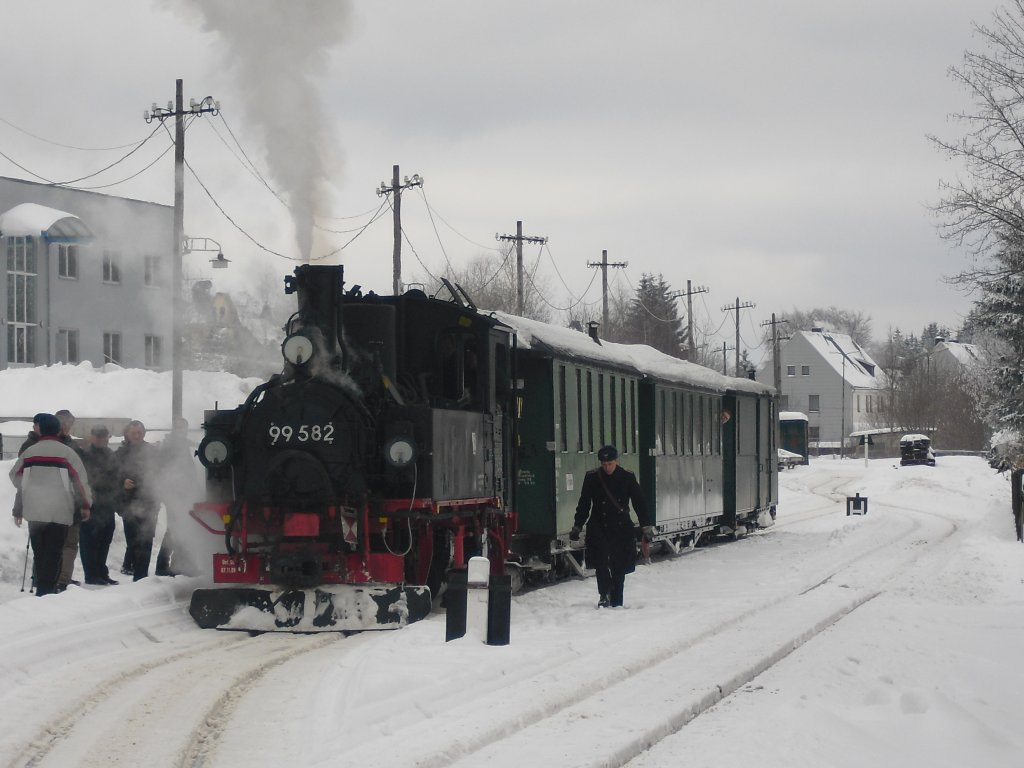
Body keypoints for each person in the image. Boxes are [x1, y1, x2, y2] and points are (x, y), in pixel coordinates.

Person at [9, 413, 92, 596]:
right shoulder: (67, 453)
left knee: (40, 554)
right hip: (59, 511)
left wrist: (31, 488)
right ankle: (48, 591)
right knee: (54, 553)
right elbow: (80, 482)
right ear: (57, 430)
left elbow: (15, 475)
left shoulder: (29, 452)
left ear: (41, 430)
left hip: (35, 511)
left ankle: (42, 588)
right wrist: (85, 505)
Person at [570, 445, 652, 608]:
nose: (607, 467)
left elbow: (639, 503)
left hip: (620, 527)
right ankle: (603, 594)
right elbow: (584, 503)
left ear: (616, 461)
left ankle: (617, 599)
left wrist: (646, 527)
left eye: (610, 464)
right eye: (604, 464)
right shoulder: (592, 478)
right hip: (598, 525)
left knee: (618, 565)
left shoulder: (627, 477)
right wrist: (577, 525)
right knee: (600, 563)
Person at [115, 420, 161, 581]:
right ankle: (132, 568)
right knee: (133, 540)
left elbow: (161, 474)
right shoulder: (120, 453)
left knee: (147, 540)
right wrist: (122, 482)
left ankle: (141, 576)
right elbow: (111, 474)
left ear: (144, 434)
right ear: (127, 434)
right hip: (128, 503)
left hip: (149, 501)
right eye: (133, 433)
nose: (136, 436)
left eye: (139, 433)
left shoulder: (152, 452)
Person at [155, 419, 200, 577]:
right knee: (175, 529)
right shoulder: (170, 446)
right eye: (180, 428)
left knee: (182, 527)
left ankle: (179, 563)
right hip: (175, 494)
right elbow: (164, 470)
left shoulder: (182, 444)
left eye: (184, 428)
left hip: (184, 493)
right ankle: (163, 564)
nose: (183, 431)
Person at [79, 425, 120, 585]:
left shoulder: (110, 455)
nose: (102, 440)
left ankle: (102, 571)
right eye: (98, 436)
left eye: (104, 437)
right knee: (90, 541)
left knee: (105, 539)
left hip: (108, 502)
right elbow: (85, 479)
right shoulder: (86, 455)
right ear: (92, 437)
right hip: (92, 503)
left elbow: (117, 474)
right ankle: (91, 574)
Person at [55, 409, 84, 590]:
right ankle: (53, 577)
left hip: (72, 501)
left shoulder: (72, 444)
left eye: (69, 423)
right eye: (64, 422)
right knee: (54, 543)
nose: (67, 427)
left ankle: (63, 578)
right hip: (54, 501)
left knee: (70, 543)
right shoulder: (52, 444)